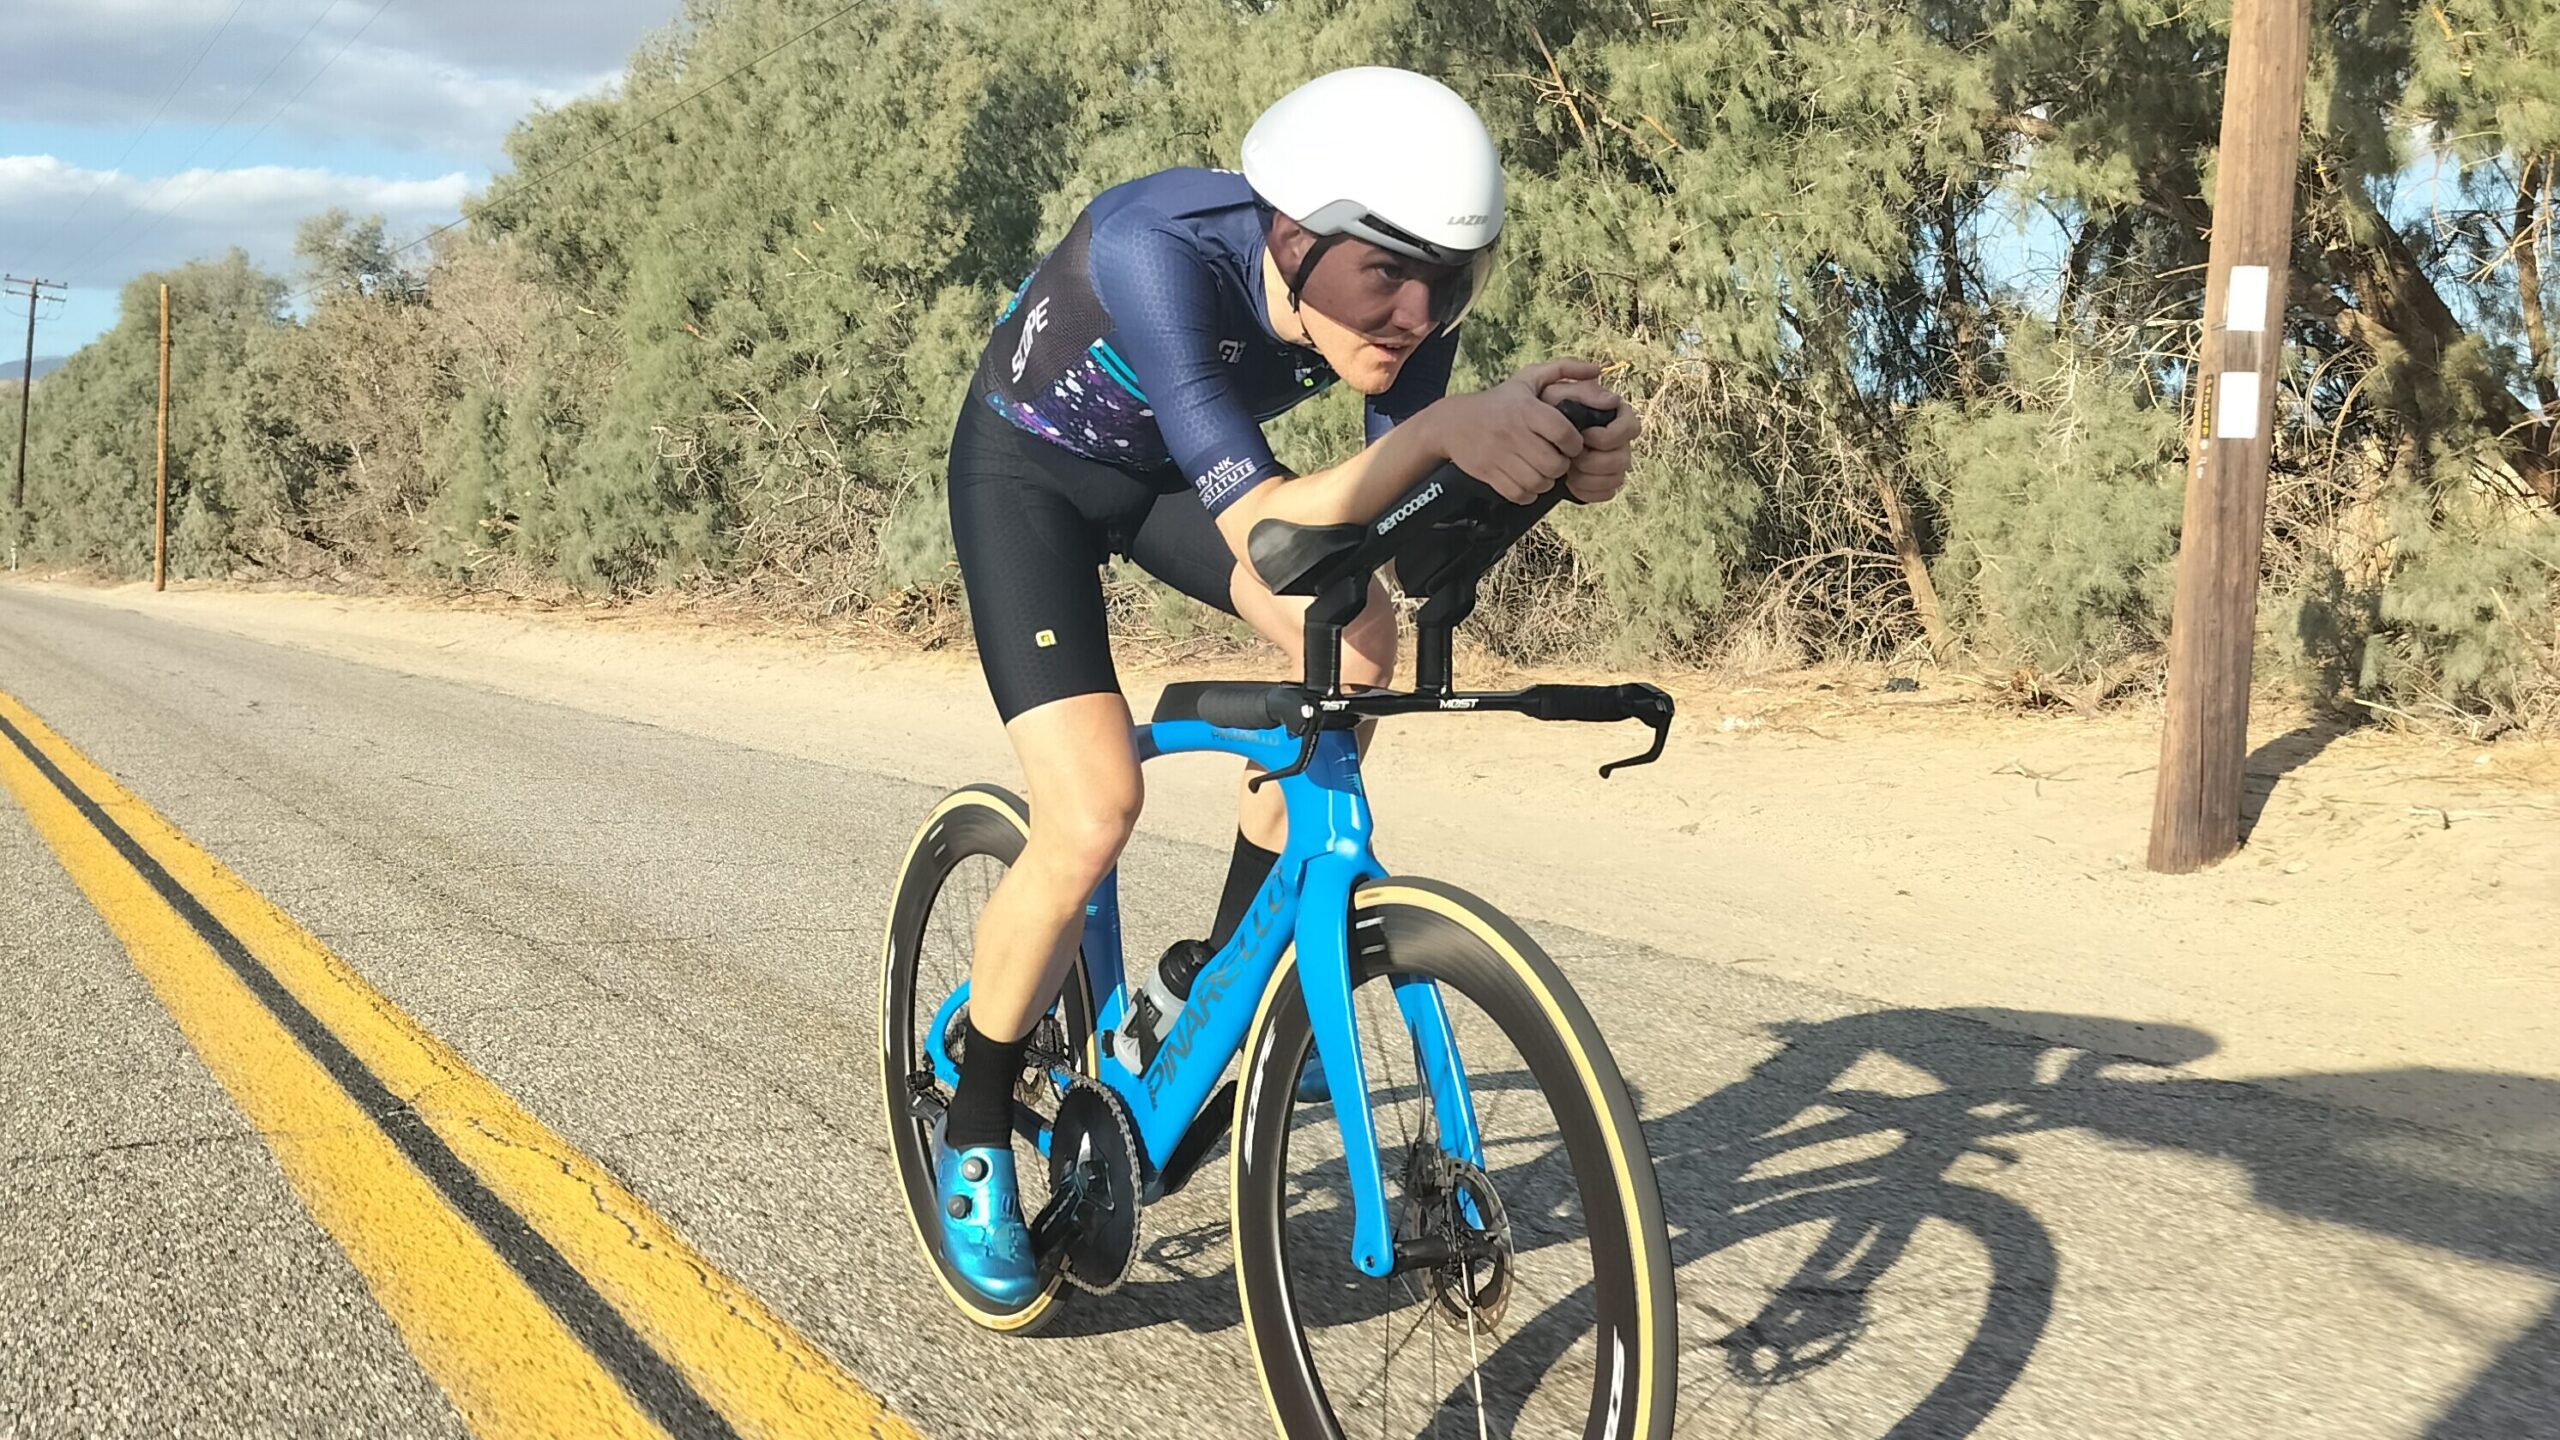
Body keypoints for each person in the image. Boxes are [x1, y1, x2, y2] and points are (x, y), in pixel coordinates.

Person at [934, 65, 1640, 1304]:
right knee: (1093, 809)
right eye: (1386, 273)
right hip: (1030, 475)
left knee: (1354, 644)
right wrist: (1437, 432)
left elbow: (1391, 537)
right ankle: (976, 1125)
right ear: (1293, 236)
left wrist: (1528, 468)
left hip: (1165, 481)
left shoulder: (1400, 299)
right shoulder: (1157, 249)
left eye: (1449, 279)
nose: (1417, 311)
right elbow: (1268, 528)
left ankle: (1224, 973)